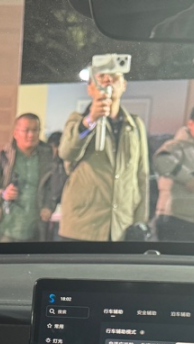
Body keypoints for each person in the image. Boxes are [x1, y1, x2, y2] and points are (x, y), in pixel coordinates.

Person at [57, 66, 149, 242]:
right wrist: (90, 121)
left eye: (114, 77)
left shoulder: (135, 125)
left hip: (121, 227)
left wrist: (140, 221)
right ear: (90, 87)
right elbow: (66, 152)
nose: (108, 81)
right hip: (82, 227)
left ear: (124, 85)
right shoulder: (78, 121)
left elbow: (141, 175)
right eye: (101, 77)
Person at [0, 114, 56, 243]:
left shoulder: (48, 158)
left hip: (35, 232)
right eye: (26, 130)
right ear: (15, 133)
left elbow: (54, 188)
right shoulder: (2, 158)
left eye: (35, 130)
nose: (31, 135)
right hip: (6, 231)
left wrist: (49, 206)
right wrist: (2, 194)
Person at [153, 102, 194, 242]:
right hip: (174, 220)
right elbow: (161, 160)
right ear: (191, 123)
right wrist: (186, 178)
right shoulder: (177, 146)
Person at [43, 131, 69, 241]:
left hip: (63, 214)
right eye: (54, 147)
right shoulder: (44, 165)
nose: (57, 151)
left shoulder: (69, 166)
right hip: (46, 212)